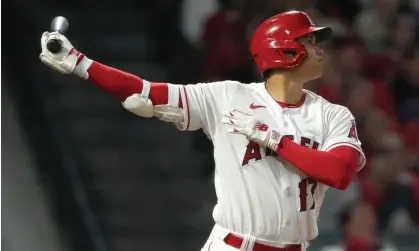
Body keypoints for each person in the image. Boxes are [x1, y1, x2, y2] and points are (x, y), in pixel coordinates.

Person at [39, 10, 366, 251]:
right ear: (284, 50)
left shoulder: (332, 115)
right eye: (309, 41)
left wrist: (275, 140)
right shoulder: (227, 96)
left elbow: (339, 173)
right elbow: (147, 92)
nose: (321, 49)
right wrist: (80, 63)